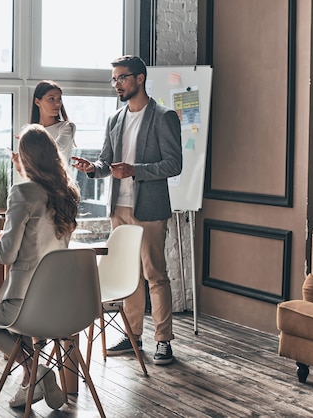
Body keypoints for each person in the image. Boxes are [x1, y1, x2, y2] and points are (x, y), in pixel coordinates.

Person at [72, 55, 182, 365]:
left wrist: (135, 170)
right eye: (114, 79)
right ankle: (133, 336)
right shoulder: (114, 119)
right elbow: (107, 162)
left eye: (121, 78)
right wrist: (92, 167)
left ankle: (164, 340)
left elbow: (174, 164)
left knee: (155, 275)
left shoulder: (163, 116)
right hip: (118, 207)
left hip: (149, 208)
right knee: (128, 275)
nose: (116, 84)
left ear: (140, 79)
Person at [0, 124, 80, 410]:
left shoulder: (22, 191)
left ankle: (38, 371)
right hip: (64, 302)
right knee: (12, 326)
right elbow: (43, 239)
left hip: (26, 302)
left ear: (25, 157)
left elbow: (6, 257)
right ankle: (30, 381)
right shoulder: (67, 192)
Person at [30, 80, 76, 165]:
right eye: (51, 99)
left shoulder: (66, 127)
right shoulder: (32, 131)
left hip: (57, 178)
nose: (58, 104)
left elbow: (53, 152)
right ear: (37, 101)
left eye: (59, 99)